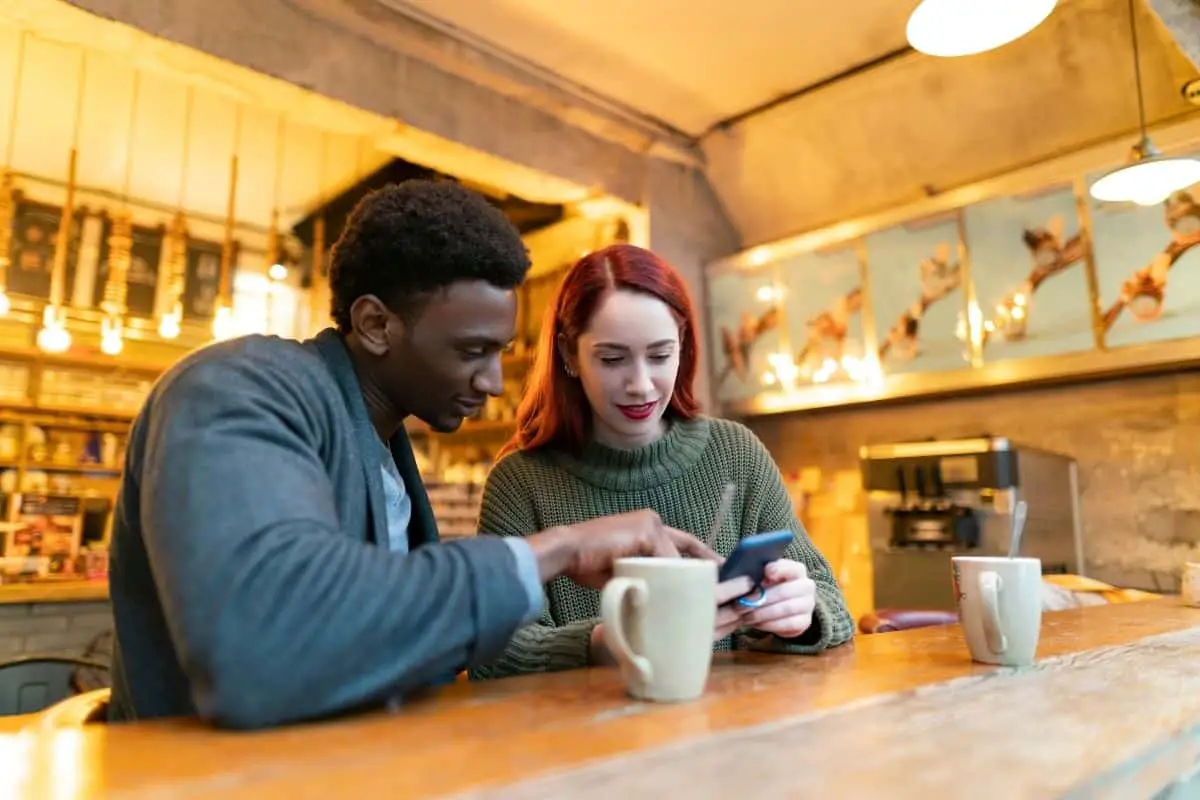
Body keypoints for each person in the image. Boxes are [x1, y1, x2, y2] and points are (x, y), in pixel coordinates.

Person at [107, 182, 716, 730]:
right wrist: (558, 550)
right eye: (471, 350)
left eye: (499, 351)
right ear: (375, 324)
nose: (493, 382)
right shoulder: (235, 387)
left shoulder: (385, 454)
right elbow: (261, 645)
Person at [470, 244, 854, 680]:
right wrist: (610, 640)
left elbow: (833, 605)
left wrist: (799, 615)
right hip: (588, 740)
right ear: (568, 354)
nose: (640, 384)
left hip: (730, 730)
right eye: (612, 359)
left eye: (659, 355)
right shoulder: (521, 483)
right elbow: (493, 654)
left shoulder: (736, 453)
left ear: (683, 345)